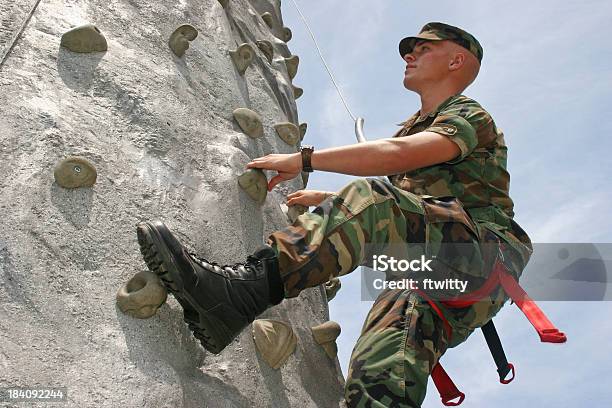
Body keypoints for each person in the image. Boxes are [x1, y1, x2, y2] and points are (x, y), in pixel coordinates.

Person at [136, 22, 532, 407]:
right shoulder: (415, 129)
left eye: (425, 48)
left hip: (481, 254)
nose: (411, 54)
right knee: (384, 359)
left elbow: (396, 162)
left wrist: (304, 159)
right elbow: (406, 202)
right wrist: (333, 199)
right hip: (436, 273)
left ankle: (243, 291)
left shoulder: (467, 114)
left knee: (370, 198)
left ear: (456, 61)